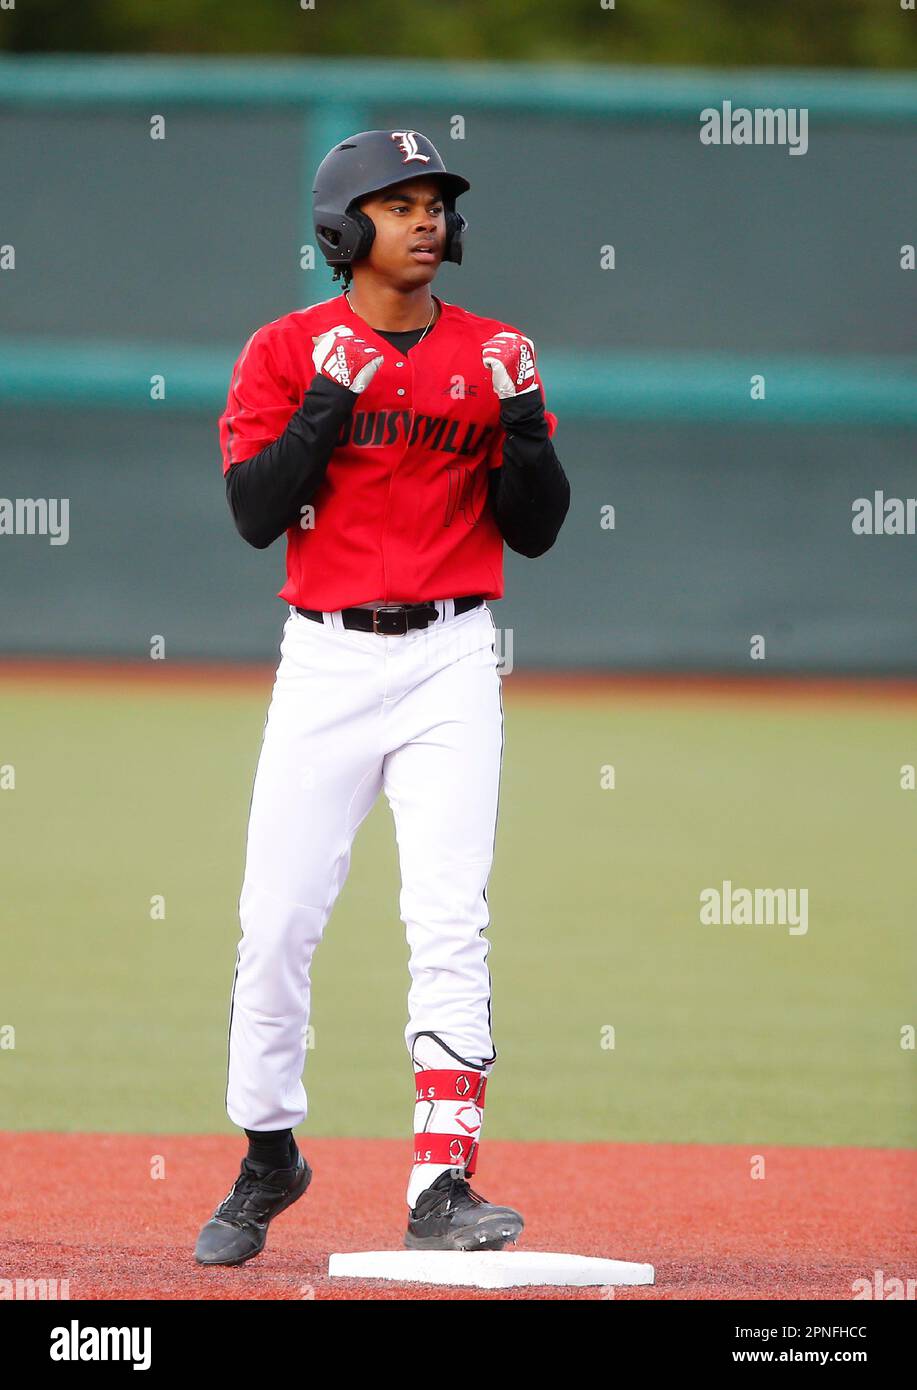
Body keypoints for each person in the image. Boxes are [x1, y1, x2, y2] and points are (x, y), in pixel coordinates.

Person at [194, 129, 570, 1265]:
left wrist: (518, 426)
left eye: (435, 202)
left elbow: (538, 527)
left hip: (452, 657)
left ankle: (441, 1181)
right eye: (396, 202)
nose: (424, 219)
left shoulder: (496, 351)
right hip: (325, 660)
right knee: (275, 925)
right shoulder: (283, 350)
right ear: (342, 231)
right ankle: (269, 1153)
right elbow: (256, 511)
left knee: (448, 920)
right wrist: (320, 407)